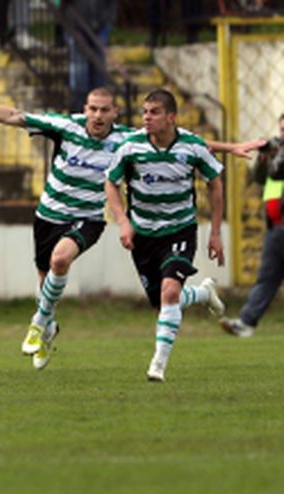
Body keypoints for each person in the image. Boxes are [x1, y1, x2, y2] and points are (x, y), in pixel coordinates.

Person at [0, 87, 259, 370]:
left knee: (60, 260)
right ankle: (49, 328)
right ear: (85, 109)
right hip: (48, 214)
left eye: (104, 110)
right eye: (92, 109)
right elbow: (15, 115)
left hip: (88, 218)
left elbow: (182, 140)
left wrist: (231, 148)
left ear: (115, 112)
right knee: (46, 283)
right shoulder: (65, 126)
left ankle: (38, 324)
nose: (98, 115)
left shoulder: (127, 138)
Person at [104, 89, 226, 383]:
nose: (147, 117)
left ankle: (158, 364)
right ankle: (203, 293)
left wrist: (215, 233)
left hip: (179, 229)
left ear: (171, 117)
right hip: (143, 234)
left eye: (154, 112)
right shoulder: (130, 147)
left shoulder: (193, 146)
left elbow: (215, 183)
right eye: (145, 112)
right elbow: (110, 183)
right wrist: (123, 222)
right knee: (164, 303)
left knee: (170, 292)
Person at [220, 115, 284, 337]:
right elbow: (260, 178)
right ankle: (246, 322)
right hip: (276, 227)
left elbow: (279, 171)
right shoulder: (277, 154)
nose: (283, 135)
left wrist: (278, 156)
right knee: (267, 276)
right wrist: (264, 158)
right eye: (282, 130)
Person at [64, 0, 117, 112]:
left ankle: (99, 103)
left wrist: (109, 19)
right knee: (79, 68)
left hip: (101, 25)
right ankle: (79, 106)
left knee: (99, 66)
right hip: (76, 24)